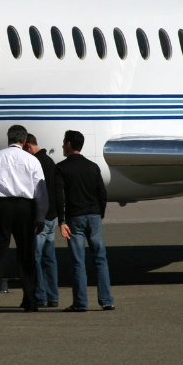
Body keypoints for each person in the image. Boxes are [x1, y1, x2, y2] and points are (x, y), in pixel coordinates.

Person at [0, 125, 49, 314]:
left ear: (8, 139)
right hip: (25, 208)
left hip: (1, 207)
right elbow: (41, 192)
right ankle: (30, 301)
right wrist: (40, 217)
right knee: (26, 254)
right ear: (24, 141)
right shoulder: (31, 160)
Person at [54, 130, 114, 312]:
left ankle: (81, 302)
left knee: (78, 261)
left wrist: (61, 221)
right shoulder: (93, 167)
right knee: (100, 259)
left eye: (64, 142)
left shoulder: (61, 168)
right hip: (93, 215)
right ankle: (106, 300)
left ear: (69, 144)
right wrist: (100, 214)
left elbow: (59, 196)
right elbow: (102, 193)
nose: (62, 146)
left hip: (75, 218)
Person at [24, 133, 59, 308]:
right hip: (52, 215)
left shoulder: (36, 163)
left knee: (35, 257)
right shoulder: (50, 161)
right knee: (49, 258)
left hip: (41, 216)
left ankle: (40, 296)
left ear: (28, 146)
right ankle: (53, 296)